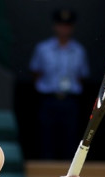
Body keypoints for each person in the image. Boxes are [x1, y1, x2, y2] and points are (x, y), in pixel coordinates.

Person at [29, 8, 89, 160]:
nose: (64, 29)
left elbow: (82, 76)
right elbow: (36, 73)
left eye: (67, 25)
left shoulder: (79, 50)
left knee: (70, 136)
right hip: (48, 98)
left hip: (70, 99)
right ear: (55, 26)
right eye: (61, 25)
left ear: (72, 28)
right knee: (46, 135)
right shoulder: (43, 49)